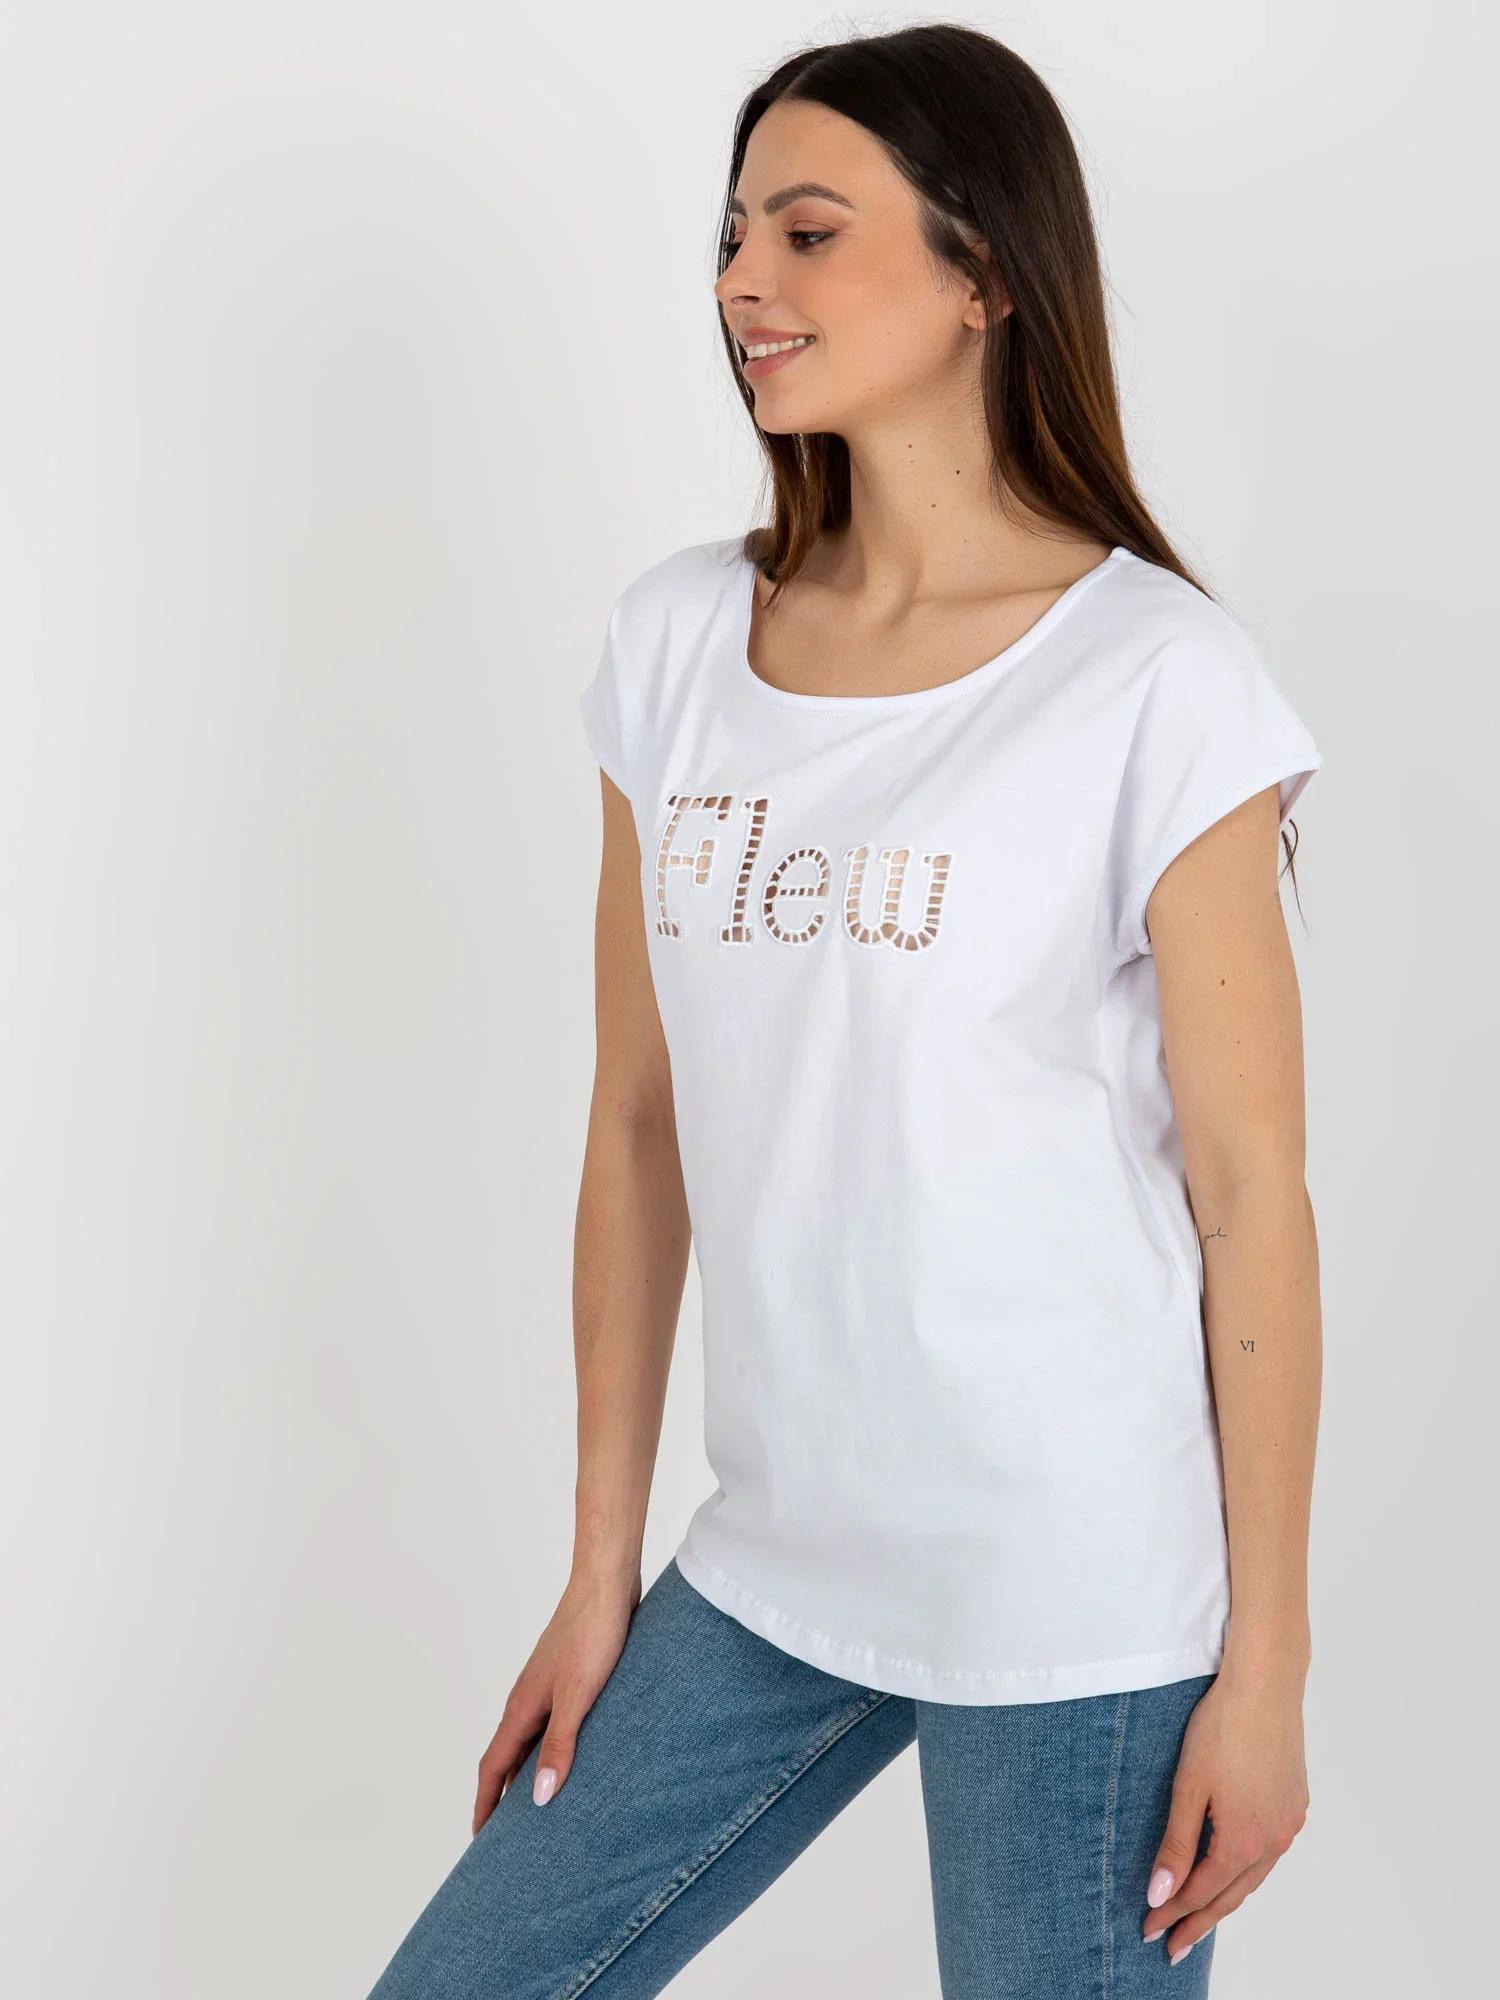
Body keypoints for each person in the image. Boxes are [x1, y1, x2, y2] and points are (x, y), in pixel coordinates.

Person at [366, 24, 1322, 1999]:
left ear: (986, 277)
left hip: (1075, 1588)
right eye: (732, 237)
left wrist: (1268, 1670)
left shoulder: (1157, 681)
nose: (743, 282)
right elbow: (639, 1124)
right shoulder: (676, 644)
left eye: (807, 233)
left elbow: (1250, 1193)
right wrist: (600, 1573)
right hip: (777, 1556)